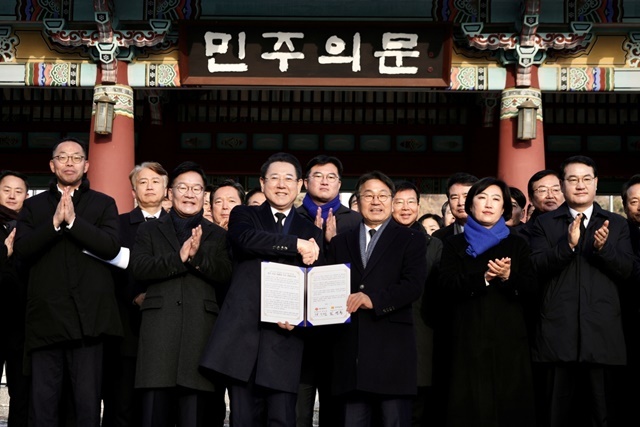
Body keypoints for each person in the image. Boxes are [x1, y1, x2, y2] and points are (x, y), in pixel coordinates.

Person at [200, 152, 322, 427]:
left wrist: (302, 317)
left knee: (283, 418)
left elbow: (313, 284)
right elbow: (245, 240)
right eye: (274, 178)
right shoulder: (245, 214)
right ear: (262, 182)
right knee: (243, 419)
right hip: (244, 338)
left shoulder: (310, 230)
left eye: (289, 178)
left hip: (285, 339)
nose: (281, 184)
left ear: (300, 185)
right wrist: (296, 245)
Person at [14, 137, 122, 427]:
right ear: (52, 165)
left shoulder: (103, 203)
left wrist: (74, 223)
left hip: (89, 321)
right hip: (45, 321)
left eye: (76, 157)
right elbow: (22, 250)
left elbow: (111, 246)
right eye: (62, 157)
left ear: (86, 165)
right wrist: (53, 224)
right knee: (43, 405)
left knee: (86, 405)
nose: (69, 162)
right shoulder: (33, 206)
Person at [530, 156, 634, 427]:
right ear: (562, 184)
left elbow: (628, 270)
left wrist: (604, 249)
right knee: (555, 415)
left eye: (586, 179)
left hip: (602, 336)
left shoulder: (616, 224)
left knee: (601, 414)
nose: (580, 185)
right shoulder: (544, 224)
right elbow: (535, 267)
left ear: (596, 183)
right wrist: (567, 246)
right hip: (557, 336)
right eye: (573, 179)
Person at [131, 161, 232, 427]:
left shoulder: (218, 235)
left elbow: (225, 273)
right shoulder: (149, 229)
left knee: (194, 416)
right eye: (183, 187)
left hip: (200, 334)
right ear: (170, 193)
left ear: (204, 195)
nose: (190, 194)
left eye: (196, 189)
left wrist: (197, 258)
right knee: (153, 415)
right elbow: (140, 267)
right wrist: (179, 257)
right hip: (158, 336)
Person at [327, 171, 427, 427]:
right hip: (351, 354)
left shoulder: (412, 239)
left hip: (392, 354)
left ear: (392, 200)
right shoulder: (340, 242)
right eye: (368, 195)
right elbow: (327, 288)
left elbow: (413, 285)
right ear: (357, 201)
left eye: (382, 195)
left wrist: (374, 300)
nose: (375, 201)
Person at [438, 177, 536, 427]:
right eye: (482, 198)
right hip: (466, 338)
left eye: (496, 199)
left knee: (509, 409)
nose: (489, 204)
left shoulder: (518, 243)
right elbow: (446, 285)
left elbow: (530, 289)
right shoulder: (454, 244)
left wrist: (508, 277)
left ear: (504, 208)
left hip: (509, 341)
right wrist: (483, 278)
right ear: (471, 205)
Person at [295, 155, 362, 427]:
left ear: (339, 184)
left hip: (339, 330)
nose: (324, 181)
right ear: (305, 182)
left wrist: (334, 244)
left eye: (331, 177)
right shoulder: (293, 218)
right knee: (297, 411)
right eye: (318, 176)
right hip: (298, 331)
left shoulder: (355, 221)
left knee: (336, 412)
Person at [101, 162, 169, 427]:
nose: (149, 187)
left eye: (156, 182)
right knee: (122, 402)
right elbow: (109, 270)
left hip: (167, 325)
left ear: (166, 190)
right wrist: (134, 296)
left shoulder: (177, 225)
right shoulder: (117, 225)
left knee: (158, 407)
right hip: (126, 324)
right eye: (143, 182)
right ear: (133, 191)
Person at [392, 181, 442, 427]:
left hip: (422, 332)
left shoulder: (434, 245)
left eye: (411, 202)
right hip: (386, 333)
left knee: (419, 409)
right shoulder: (377, 241)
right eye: (399, 202)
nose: (405, 208)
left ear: (419, 206)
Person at [0, 170, 30, 427]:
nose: (12, 195)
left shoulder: (32, 227)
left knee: (21, 391)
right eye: (6, 190)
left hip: (23, 321)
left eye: (18, 191)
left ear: (26, 196)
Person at [433, 173, 478, 241]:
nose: (460, 203)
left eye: (466, 196)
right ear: (448, 201)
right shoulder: (439, 237)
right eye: (454, 198)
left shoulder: (492, 232)